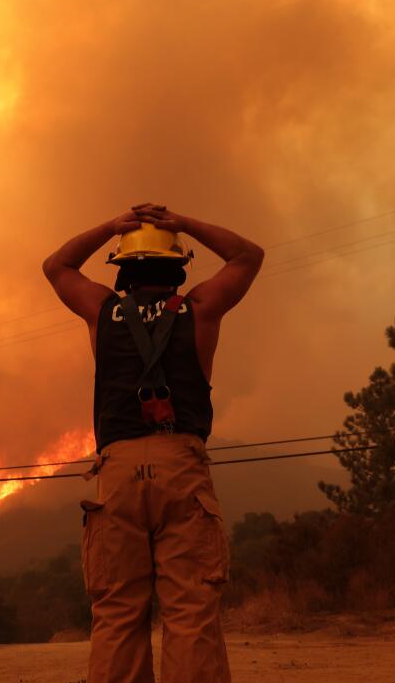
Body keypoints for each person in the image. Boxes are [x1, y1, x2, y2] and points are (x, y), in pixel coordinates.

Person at [42, 203, 263, 683]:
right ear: (179, 267)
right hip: (182, 467)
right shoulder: (200, 310)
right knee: (191, 611)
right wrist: (182, 223)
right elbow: (247, 256)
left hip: (117, 475)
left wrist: (109, 226)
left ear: (122, 271)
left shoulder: (101, 311)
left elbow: (55, 266)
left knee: (118, 610)